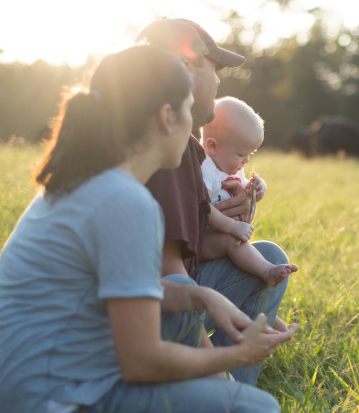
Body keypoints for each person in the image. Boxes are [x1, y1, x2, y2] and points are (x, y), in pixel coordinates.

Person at [0, 45, 296, 413]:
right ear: (166, 116)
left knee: (191, 306)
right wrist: (238, 355)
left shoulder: (87, 182)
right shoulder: (125, 200)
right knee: (258, 409)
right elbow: (140, 363)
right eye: (188, 108)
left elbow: (129, 291)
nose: (195, 126)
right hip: (54, 400)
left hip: (34, 387)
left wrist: (204, 297)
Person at [135, 18, 294, 384]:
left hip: (140, 301)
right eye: (214, 69)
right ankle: (229, 390)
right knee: (266, 260)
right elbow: (171, 274)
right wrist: (222, 378)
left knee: (267, 256)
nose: (220, 81)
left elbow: (172, 250)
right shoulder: (167, 144)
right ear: (185, 66)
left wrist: (212, 222)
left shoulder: (186, 145)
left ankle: (225, 377)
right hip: (137, 316)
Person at [200, 96, 298, 286]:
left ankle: (266, 313)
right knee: (232, 241)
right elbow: (202, 207)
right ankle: (266, 271)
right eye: (241, 154)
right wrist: (232, 227)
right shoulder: (205, 169)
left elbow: (244, 191)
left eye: (250, 154)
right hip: (202, 241)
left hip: (221, 235)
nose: (246, 161)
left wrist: (257, 189)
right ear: (212, 146)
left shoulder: (230, 165)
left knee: (239, 245)